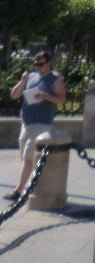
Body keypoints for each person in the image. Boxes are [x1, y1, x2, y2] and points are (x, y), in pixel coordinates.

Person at [5, 51, 66, 201]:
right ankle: (33, 184)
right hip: (26, 122)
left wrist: (46, 96)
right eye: (36, 64)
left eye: (41, 64)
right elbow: (14, 95)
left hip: (42, 124)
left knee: (28, 157)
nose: (38, 67)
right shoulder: (31, 77)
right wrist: (22, 80)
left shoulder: (55, 79)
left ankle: (19, 191)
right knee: (27, 156)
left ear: (49, 63)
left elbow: (62, 99)